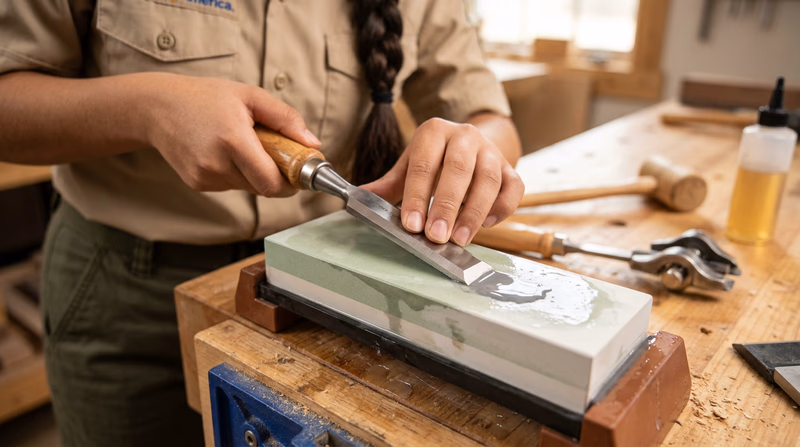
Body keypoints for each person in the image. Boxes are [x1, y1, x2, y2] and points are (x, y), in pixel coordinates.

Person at [0, 0, 524, 445]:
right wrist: (148, 108)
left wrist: (474, 152)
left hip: (322, 285)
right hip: (127, 290)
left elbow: (490, 119)